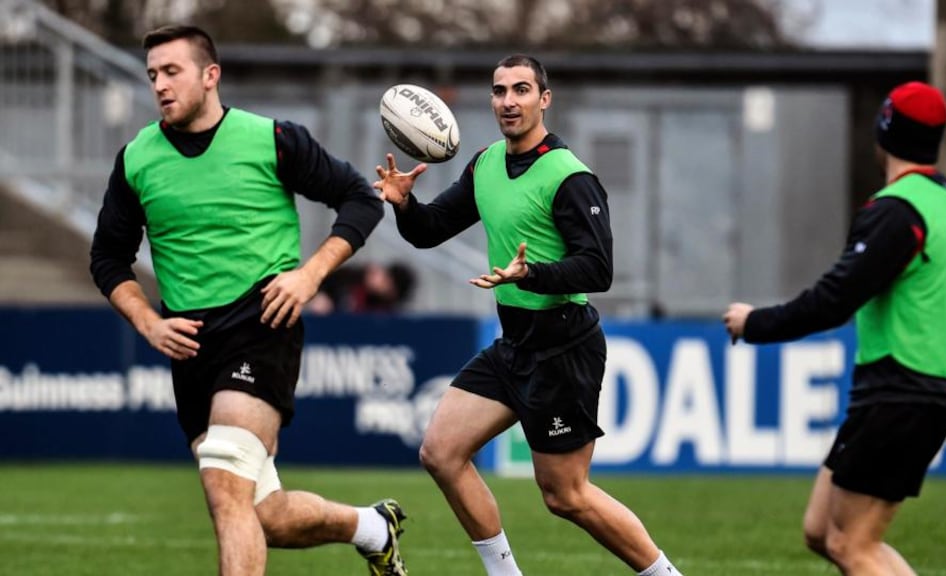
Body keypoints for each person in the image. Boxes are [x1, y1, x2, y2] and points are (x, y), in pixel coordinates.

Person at [89, 25, 407, 576]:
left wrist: (309, 276)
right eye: (153, 75)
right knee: (266, 515)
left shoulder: (273, 138)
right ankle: (371, 528)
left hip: (262, 324)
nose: (159, 85)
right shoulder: (137, 158)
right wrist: (147, 321)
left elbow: (360, 198)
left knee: (223, 481)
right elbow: (107, 258)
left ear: (210, 75)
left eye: (172, 71)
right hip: (190, 345)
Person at [374, 55, 682, 576]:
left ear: (544, 99)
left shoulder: (569, 176)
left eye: (521, 89)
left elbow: (598, 268)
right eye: (499, 91)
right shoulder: (486, 164)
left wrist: (531, 273)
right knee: (440, 452)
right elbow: (429, 231)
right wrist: (405, 204)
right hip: (514, 345)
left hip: (564, 347)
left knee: (566, 495)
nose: (508, 101)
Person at [723, 81, 946, 575]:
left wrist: (754, 322)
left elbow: (834, 300)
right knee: (822, 530)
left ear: (884, 131)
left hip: (897, 393)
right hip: (915, 394)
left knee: (852, 544)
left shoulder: (896, 211)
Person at [308, 261, 417, 315]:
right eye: (384, 277)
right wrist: (321, 295)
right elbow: (322, 283)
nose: (379, 279)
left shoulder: (384, 313)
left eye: (386, 283)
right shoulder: (350, 277)